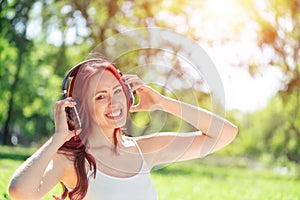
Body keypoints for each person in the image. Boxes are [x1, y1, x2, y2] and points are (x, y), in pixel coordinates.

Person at [8, 57, 238, 200]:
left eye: (118, 91)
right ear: (80, 109)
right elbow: (20, 192)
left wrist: (162, 102)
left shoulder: (145, 149)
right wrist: (58, 138)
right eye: (100, 97)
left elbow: (225, 133)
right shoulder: (70, 160)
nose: (114, 103)